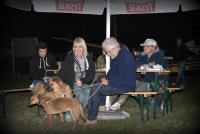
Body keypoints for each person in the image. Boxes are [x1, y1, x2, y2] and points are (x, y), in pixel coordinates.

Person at [86, 37, 136, 125]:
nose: (107, 54)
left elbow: (125, 78)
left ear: (114, 47)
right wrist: (106, 78)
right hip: (118, 83)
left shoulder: (126, 56)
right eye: (106, 51)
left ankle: (91, 119)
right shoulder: (117, 56)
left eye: (107, 51)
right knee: (97, 82)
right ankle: (99, 108)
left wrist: (109, 82)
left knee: (96, 89)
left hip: (125, 86)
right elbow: (112, 71)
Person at [110, 38, 166, 111]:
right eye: (144, 46)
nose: (144, 48)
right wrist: (145, 65)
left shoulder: (159, 54)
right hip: (145, 80)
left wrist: (149, 66)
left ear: (152, 47)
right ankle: (117, 104)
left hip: (157, 82)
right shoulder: (143, 55)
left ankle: (154, 103)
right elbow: (135, 63)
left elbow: (160, 65)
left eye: (146, 46)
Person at [57, 37, 95, 109]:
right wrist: (58, 82)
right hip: (71, 83)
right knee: (81, 96)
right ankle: (75, 112)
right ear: (73, 48)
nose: (77, 49)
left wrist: (82, 81)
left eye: (80, 47)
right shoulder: (69, 57)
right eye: (75, 47)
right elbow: (62, 72)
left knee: (88, 92)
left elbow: (91, 74)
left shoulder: (88, 58)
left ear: (84, 47)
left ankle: (79, 112)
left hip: (83, 82)